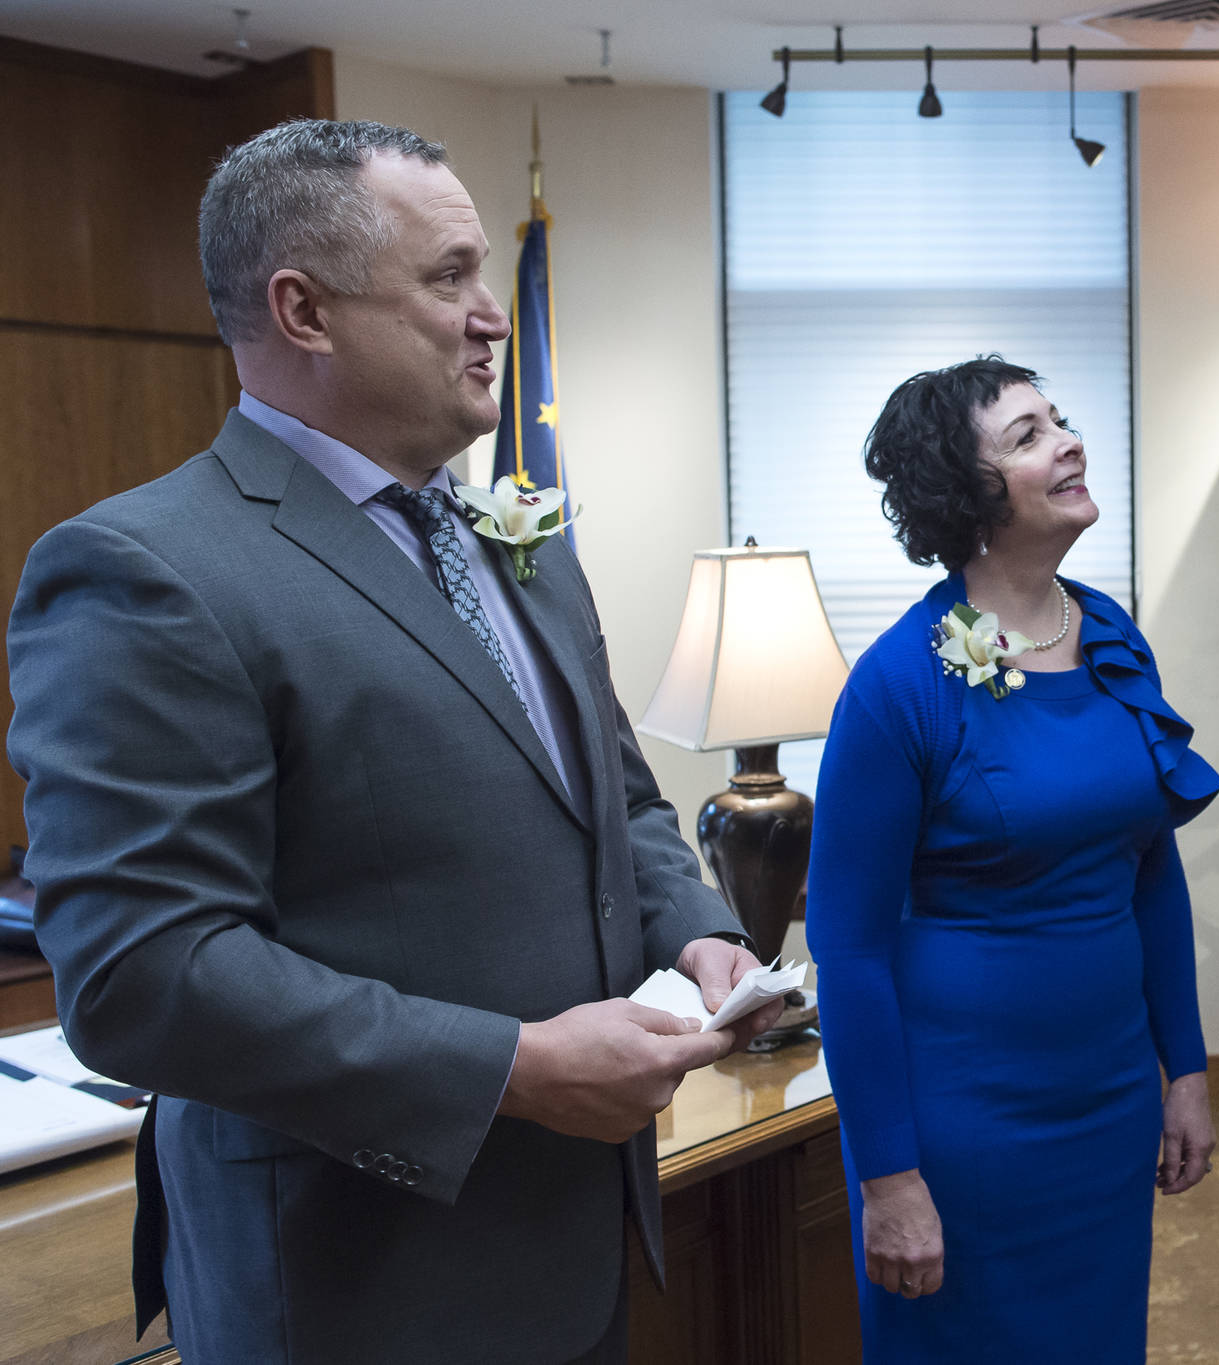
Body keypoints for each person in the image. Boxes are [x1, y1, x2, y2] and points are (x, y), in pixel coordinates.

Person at [7, 119, 780, 1364]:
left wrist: (690, 927)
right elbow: (141, 973)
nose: (494, 316)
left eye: (486, 274)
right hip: (350, 1278)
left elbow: (619, 803)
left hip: (572, 1242)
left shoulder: (515, 550)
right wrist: (509, 1069)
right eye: (447, 277)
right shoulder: (146, 571)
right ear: (303, 311)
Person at [807, 358, 1219, 1361]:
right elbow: (848, 952)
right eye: (1028, 435)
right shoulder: (898, 685)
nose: (1067, 441)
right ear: (968, 490)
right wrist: (889, 1178)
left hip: (1107, 1102)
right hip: (966, 1125)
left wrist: (1188, 1070)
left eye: (1061, 421)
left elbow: (1149, 874)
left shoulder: (1112, 638)